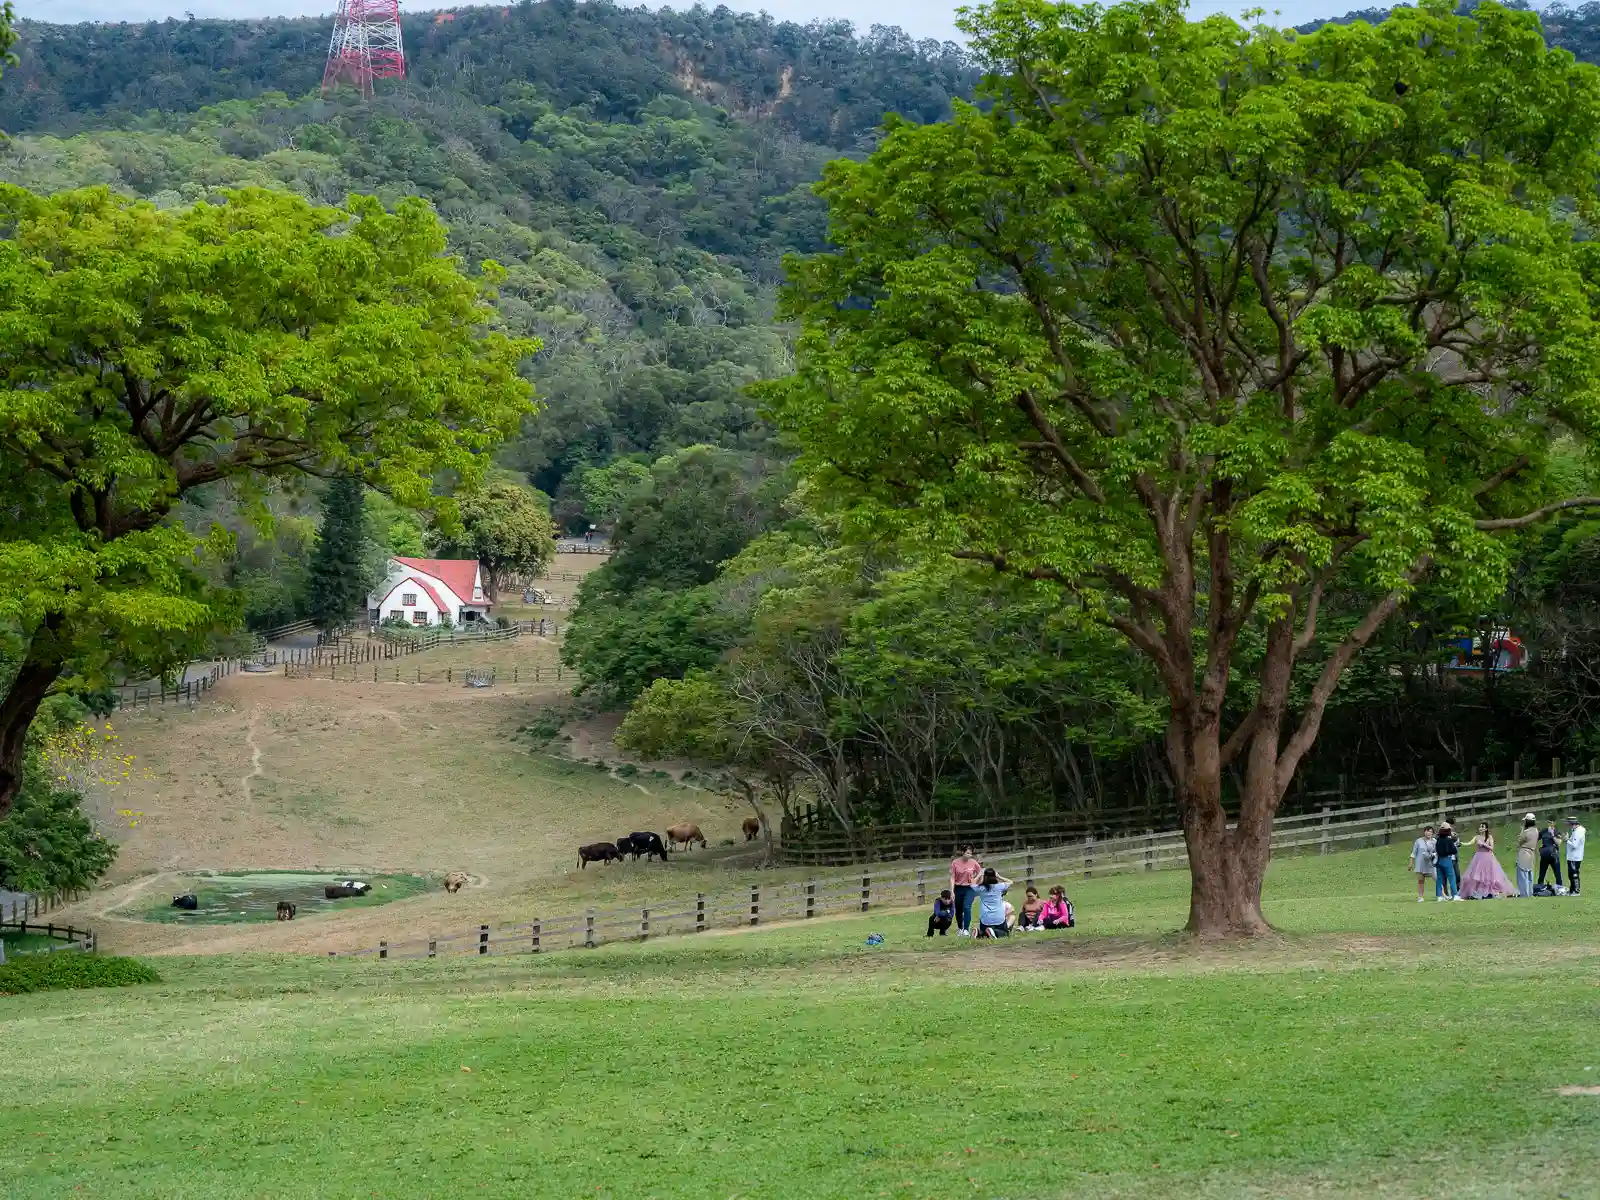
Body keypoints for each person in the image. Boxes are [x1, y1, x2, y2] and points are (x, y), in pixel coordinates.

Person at [1459, 821, 1515, 899]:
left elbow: (1492, 848)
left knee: (1490, 875)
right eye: (1480, 827)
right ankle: (1477, 892)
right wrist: (1461, 843)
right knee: (1476, 875)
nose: (1480, 828)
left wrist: (1483, 844)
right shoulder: (1477, 837)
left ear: (1486, 829)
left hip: (1488, 857)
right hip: (1478, 857)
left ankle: (1492, 892)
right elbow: (1469, 843)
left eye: (1482, 827)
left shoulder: (1489, 837)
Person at [949, 845, 983, 937]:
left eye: (971, 853)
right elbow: (952, 877)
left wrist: (977, 883)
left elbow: (980, 872)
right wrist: (952, 891)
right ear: (963, 853)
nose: (969, 855)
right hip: (958, 888)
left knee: (967, 907)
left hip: (969, 888)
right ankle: (960, 928)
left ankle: (966, 930)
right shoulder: (955, 863)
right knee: (959, 909)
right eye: (967, 853)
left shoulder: (973, 862)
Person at [973, 867, 1012, 939]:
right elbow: (1010, 882)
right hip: (998, 917)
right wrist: (999, 876)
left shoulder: (981, 888)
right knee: (1005, 933)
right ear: (994, 876)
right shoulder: (999, 886)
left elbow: (971, 884)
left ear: (984, 877)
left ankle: (979, 933)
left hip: (985, 917)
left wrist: (979, 874)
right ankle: (994, 932)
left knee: (984, 933)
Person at [1434, 823, 1462, 901]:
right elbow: (1454, 850)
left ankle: (1439, 896)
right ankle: (1455, 895)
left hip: (1439, 860)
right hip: (1447, 860)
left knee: (1440, 879)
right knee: (1451, 877)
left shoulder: (1438, 840)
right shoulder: (1449, 840)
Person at [1410, 825, 1437, 902]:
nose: (1429, 833)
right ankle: (1420, 897)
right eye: (1427, 831)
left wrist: (1433, 855)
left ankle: (1442, 895)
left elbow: (1437, 852)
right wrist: (1411, 863)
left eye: (1431, 832)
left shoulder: (1434, 841)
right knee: (1421, 881)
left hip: (1431, 864)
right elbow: (1414, 853)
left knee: (1437, 879)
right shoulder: (1418, 841)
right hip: (1420, 864)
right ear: (1424, 832)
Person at [1516, 814, 1539, 898]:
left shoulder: (1526, 832)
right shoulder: (1536, 831)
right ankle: (1530, 892)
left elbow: (1519, 841)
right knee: (1530, 873)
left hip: (1524, 852)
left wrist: (1522, 830)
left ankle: (1524, 893)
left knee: (1523, 873)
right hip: (1531, 853)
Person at [1539, 820, 1563, 888]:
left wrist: (1552, 834)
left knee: (1557, 873)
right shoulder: (1544, 831)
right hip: (1545, 855)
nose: (1550, 824)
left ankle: (1560, 888)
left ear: (1554, 823)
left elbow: (1558, 843)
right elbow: (1536, 838)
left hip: (1554, 855)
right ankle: (1539, 888)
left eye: (1551, 822)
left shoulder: (1557, 831)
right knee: (1542, 874)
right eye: (1548, 822)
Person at [1567, 816, 1586, 896]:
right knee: (1571, 874)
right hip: (1572, 856)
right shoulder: (1575, 830)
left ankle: (1576, 891)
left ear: (1573, 824)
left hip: (1575, 857)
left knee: (1574, 874)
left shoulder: (1578, 832)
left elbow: (1574, 845)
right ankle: (1572, 890)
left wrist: (1566, 840)